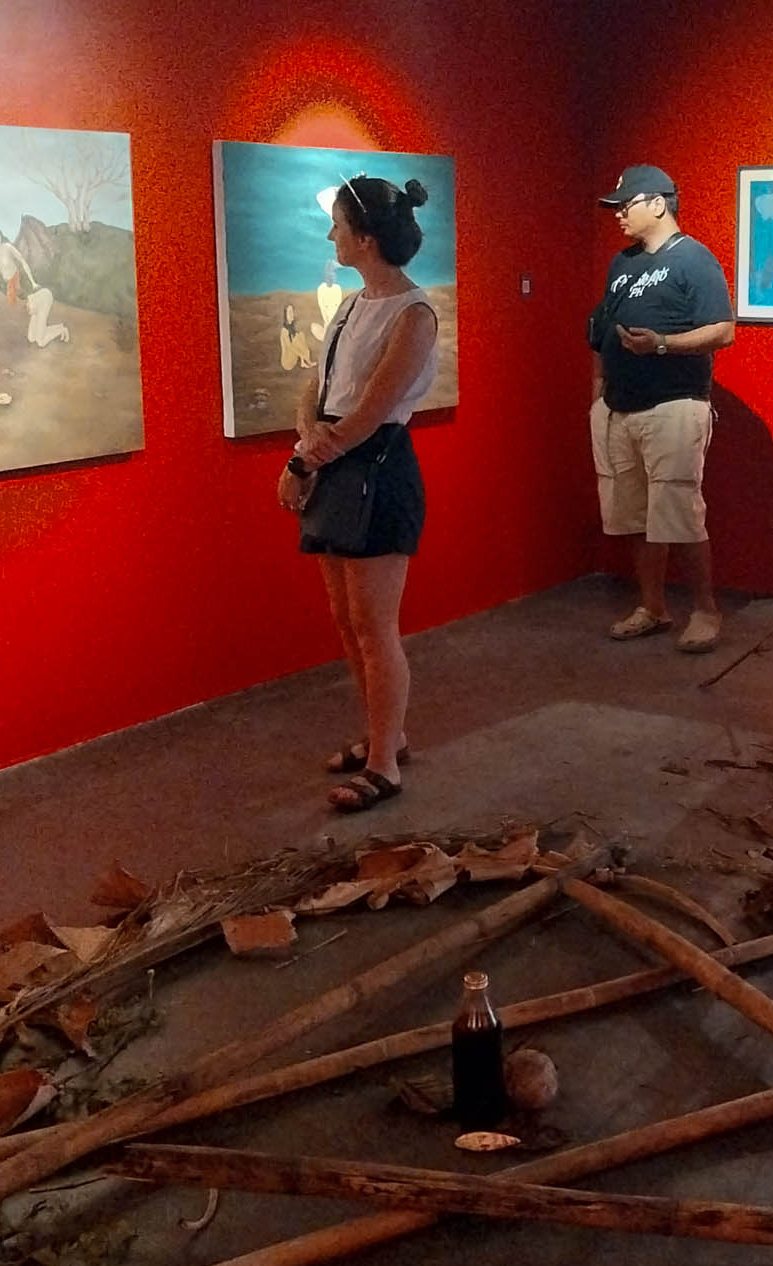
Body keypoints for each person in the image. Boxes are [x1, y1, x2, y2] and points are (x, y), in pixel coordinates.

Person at [275, 174, 438, 814]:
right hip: (338, 467)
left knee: (376, 626)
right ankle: (385, 735)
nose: (331, 234)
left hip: (378, 470)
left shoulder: (414, 314)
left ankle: (384, 765)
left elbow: (371, 412)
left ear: (365, 238)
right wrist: (308, 440)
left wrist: (301, 459)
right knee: (348, 620)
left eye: (339, 225)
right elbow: (315, 387)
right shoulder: (349, 306)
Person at [589, 165, 735, 653]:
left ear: (657, 203)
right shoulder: (622, 263)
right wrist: (598, 389)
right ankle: (652, 606)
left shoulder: (695, 260)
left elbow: (722, 330)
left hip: (674, 405)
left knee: (679, 512)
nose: (619, 216)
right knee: (633, 515)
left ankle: (705, 610)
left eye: (626, 206)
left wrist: (663, 344)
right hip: (618, 407)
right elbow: (601, 328)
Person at [0, 226, 34, 305]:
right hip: (4, 284)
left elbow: (22, 260)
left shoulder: (8, 247)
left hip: (16, 279)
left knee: (15, 300)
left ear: (1, 236)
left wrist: (33, 282)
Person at [278, 299, 314, 371]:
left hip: (294, 357)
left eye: (292, 312)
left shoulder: (291, 328)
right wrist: (301, 355)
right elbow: (290, 347)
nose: (292, 314)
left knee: (300, 335)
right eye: (289, 312)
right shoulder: (284, 330)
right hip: (287, 361)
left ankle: (305, 361)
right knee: (297, 338)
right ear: (286, 315)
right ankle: (305, 361)